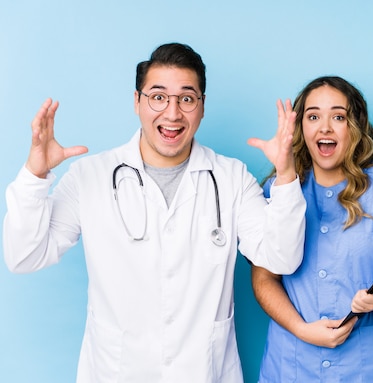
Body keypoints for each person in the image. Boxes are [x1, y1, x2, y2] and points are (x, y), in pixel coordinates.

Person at [3, 42, 306, 382]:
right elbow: (24, 256)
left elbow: (281, 259)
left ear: (202, 107)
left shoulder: (231, 178)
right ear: (137, 102)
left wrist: (286, 175)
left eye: (186, 99)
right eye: (158, 97)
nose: (173, 113)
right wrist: (34, 175)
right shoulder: (91, 177)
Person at [251, 76, 373, 382]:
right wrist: (302, 329)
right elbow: (263, 278)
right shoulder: (280, 189)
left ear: (354, 127)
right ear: (301, 127)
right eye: (313, 116)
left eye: (338, 117)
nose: (324, 127)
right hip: (294, 365)